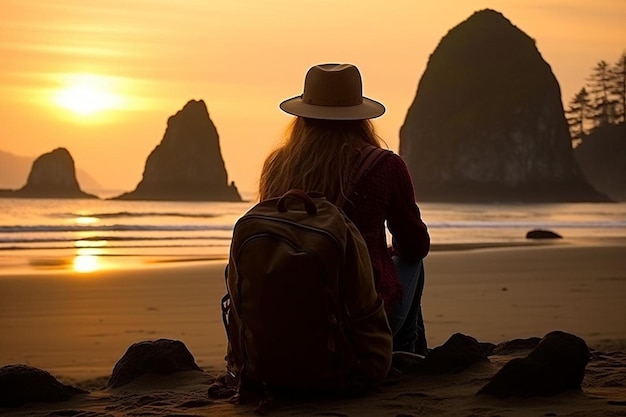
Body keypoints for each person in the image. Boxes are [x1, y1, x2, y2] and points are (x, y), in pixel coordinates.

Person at [258, 63, 431, 355]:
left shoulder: (278, 166)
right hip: (362, 325)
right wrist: (379, 255)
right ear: (359, 117)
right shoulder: (385, 166)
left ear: (302, 115)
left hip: (288, 322)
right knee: (413, 263)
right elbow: (415, 246)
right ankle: (405, 353)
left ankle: (404, 354)